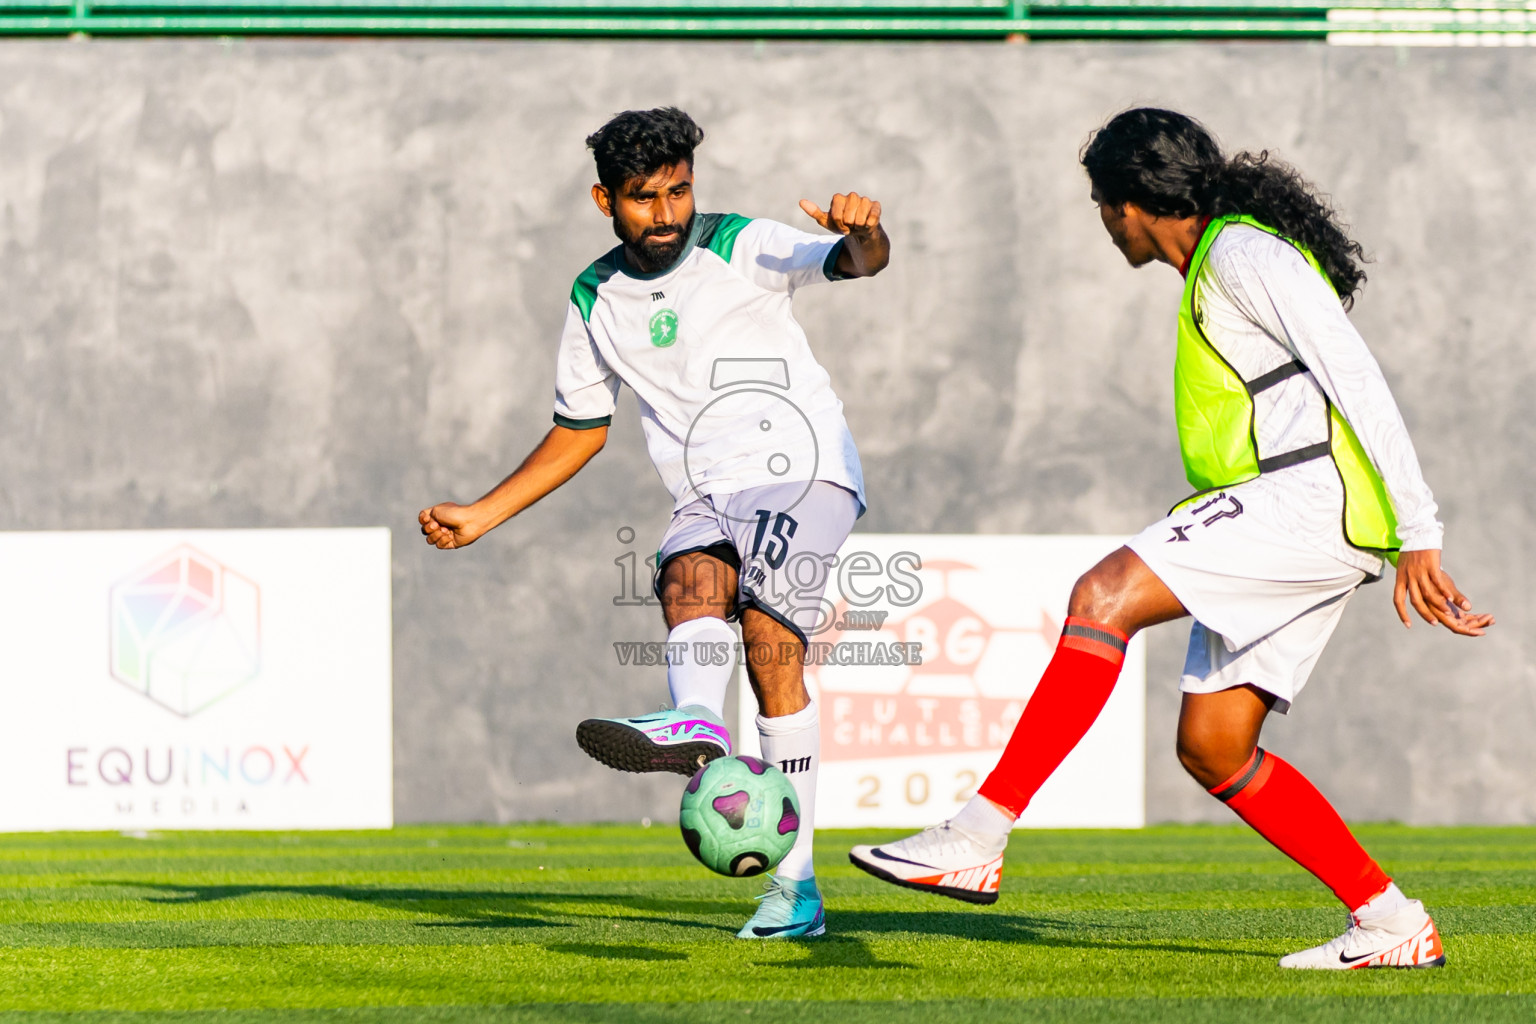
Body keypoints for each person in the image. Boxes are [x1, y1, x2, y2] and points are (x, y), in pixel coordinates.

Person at [849, 107, 1491, 970]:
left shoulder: (1243, 253)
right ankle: (1389, 919)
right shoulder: (1221, 263)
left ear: (1130, 203)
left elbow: (1357, 376)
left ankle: (977, 832)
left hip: (1306, 500)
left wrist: (1422, 529)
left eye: (1101, 206)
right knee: (1215, 746)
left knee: (1100, 594)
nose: (1105, 225)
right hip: (1312, 516)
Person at [419, 107, 889, 939]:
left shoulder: (738, 243)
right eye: (644, 197)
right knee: (686, 580)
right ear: (606, 199)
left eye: (678, 190)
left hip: (803, 467)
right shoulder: (594, 295)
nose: (666, 212)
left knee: (770, 643)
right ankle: (702, 729)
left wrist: (863, 235)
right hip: (706, 491)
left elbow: (853, 263)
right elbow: (580, 428)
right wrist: (483, 515)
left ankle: (794, 886)